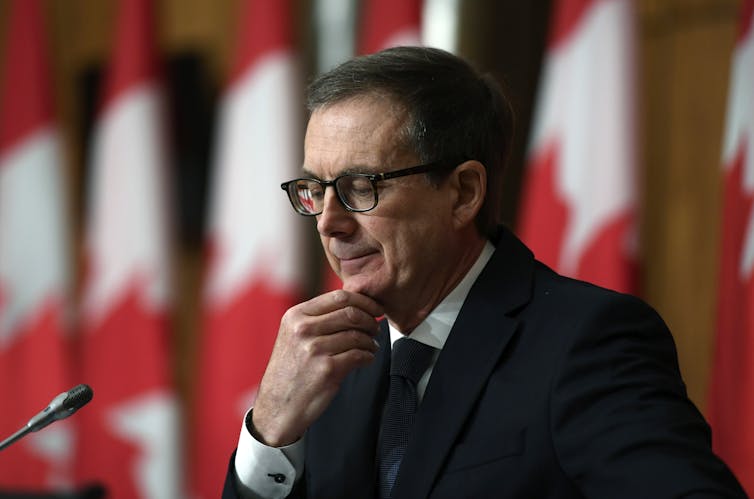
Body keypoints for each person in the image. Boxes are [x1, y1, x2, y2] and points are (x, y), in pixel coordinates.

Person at [222, 46, 745, 499]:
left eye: (362, 186)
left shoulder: (586, 342)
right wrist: (268, 430)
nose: (329, 223)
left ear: (464, 193)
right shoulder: (329, 373)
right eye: (316, 190)